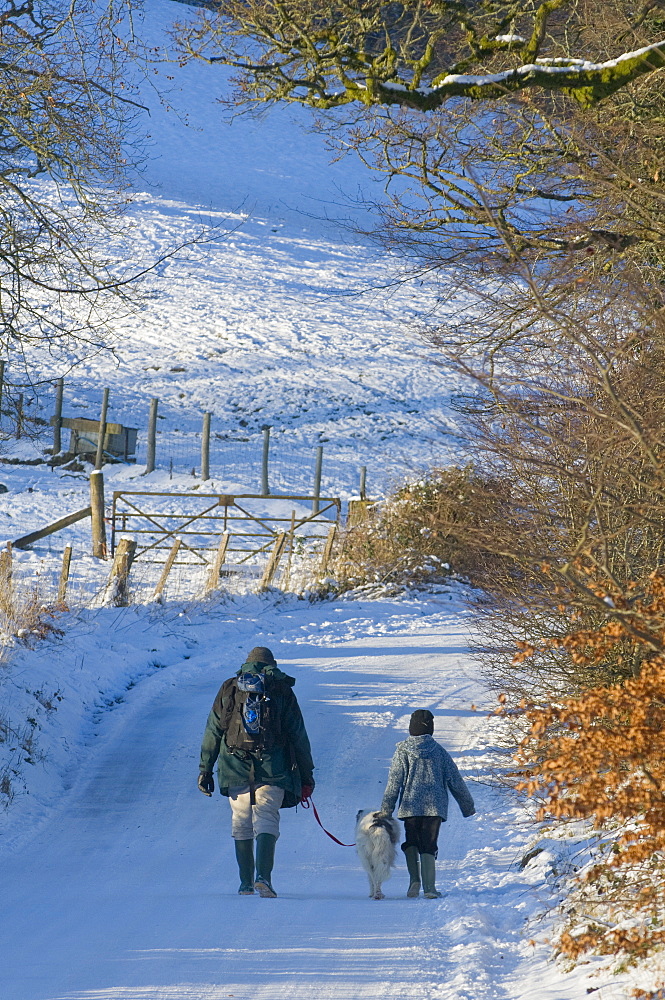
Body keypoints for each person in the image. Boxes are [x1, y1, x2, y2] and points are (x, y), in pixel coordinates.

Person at [198, 645, 315, 897]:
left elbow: (213, 730)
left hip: (234, 763)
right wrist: (307, 775)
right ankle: (264, 877)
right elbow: (298, 735)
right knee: (266, 818)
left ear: (247, 664)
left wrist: (205, 768)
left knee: (241, 821)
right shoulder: (281, 689)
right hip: (274, 767)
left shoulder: (230, 687)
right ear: (272, 664)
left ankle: (245, 883)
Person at [380, 709, 475, 899]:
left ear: (411, 728)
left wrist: (386, 809)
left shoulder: (402, 751)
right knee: (429, 843)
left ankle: (414, 882)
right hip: (435, 807)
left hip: (410, 806)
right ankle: (430, 888)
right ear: (430, 729)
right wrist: (467, 806)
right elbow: (455, 780)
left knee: (411, 841)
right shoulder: (439, 751)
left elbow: (394, 782)